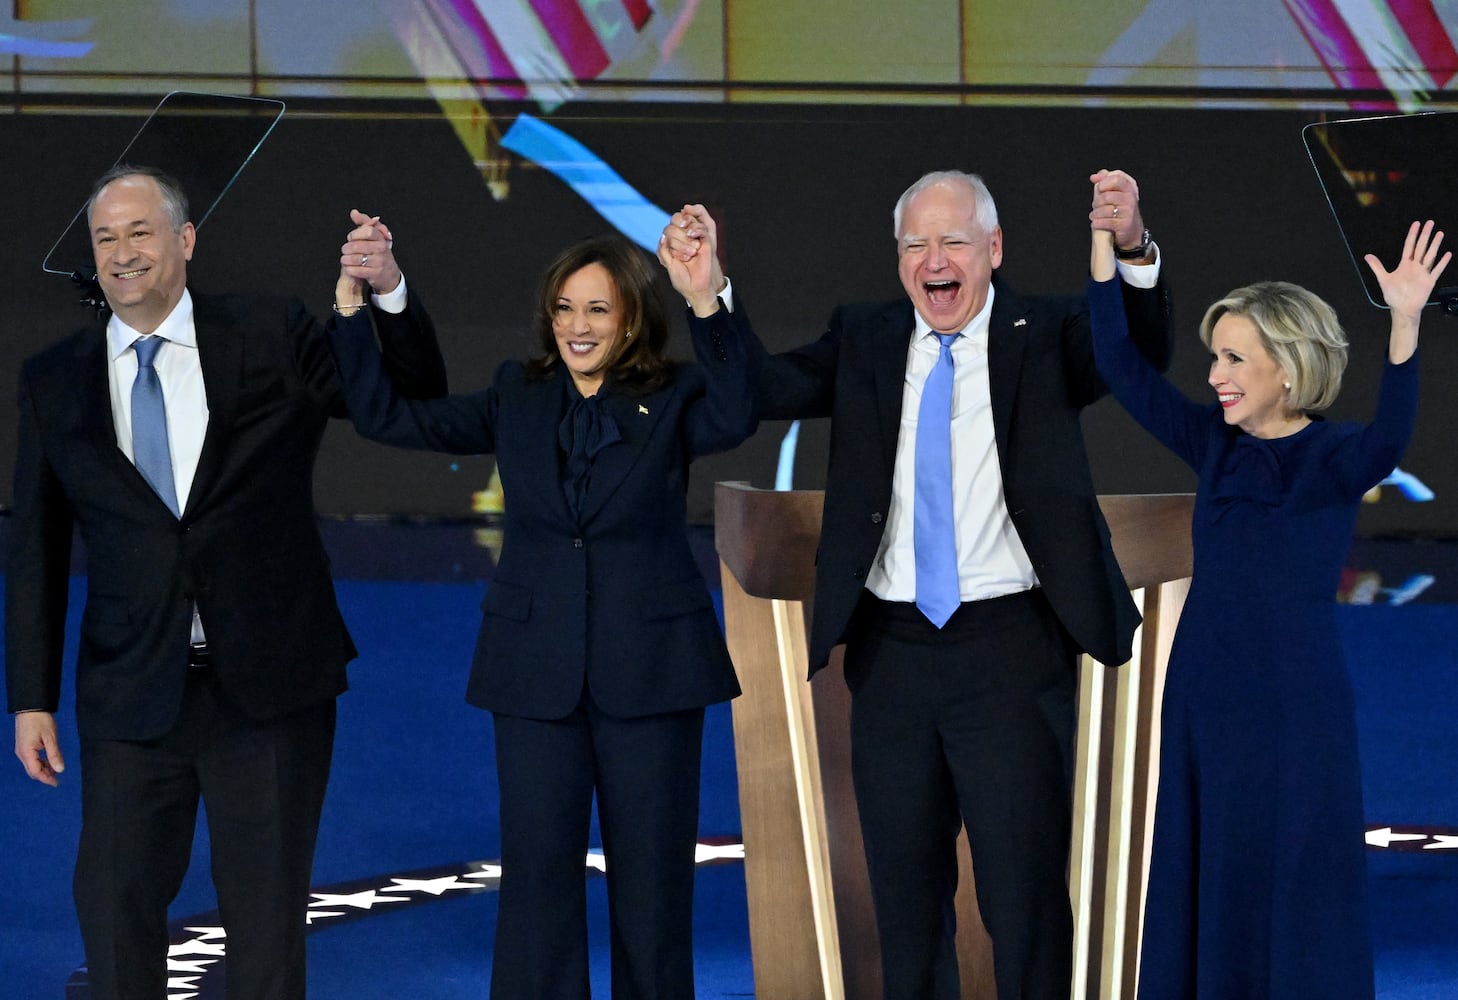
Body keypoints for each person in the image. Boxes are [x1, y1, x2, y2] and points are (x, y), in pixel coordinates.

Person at [661, 171, 1173, 998]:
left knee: (1026, 900)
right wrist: (709, 296)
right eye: (915, 245)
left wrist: (1132, 249)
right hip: (892, 656)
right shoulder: (865, 337)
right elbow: (760, 390)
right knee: (903, 903)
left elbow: (1138, 353)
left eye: (954, 242)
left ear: (993, 250)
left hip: (1012, 652)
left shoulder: (1042, 333)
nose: (935, 260)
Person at [6, 164, 447, 1000]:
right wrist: (31, 696)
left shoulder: (270, 329)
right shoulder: (54, 378)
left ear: (186, 240)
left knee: (268, 920)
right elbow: (36, 543)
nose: (123, 252)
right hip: (134, 688)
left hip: (271, 684)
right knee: (112, 902)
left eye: (141, 232)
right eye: (106, 238)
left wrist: (384, 290)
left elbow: (403, 398)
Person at [325, 227, 755, 998]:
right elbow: (391, 418)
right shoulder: (515, 395)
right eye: (565, 308)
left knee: (654, 891)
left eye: (598, 309)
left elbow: (742, 404)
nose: (579, 326)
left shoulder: (678, 396)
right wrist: (362, 311)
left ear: (630, 320)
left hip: (653, 676)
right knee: (535, 887)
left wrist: (707, 295)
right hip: (534, 677)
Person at [1088, 215, 1449, 997]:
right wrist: (1105, 249)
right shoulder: (1214, 444)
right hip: (1204, 694)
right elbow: (1120, 364)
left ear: (1286, 369)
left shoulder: (1331, 456)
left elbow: (1391, 437)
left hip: (1294, 700)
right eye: (1215, 354)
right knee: (1209, 853)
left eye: (1234, 358)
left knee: (1292, 864)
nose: (1215, 372)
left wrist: (1407, 320)